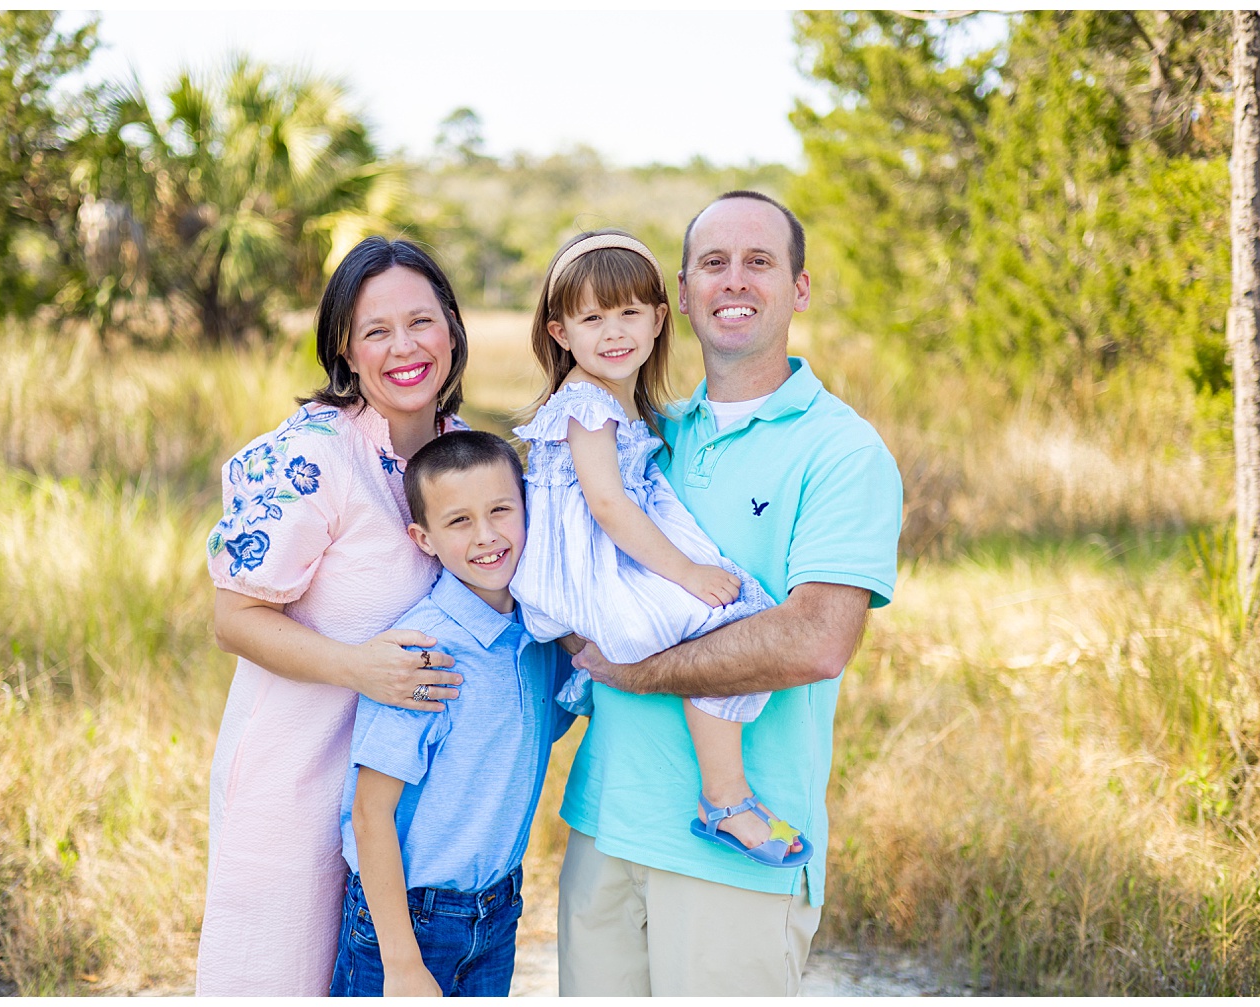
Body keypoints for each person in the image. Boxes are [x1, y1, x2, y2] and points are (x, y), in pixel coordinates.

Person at [556, 193, 904, 997]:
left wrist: (635, 668)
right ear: (681, 292)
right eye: (714, 263)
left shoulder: (841, 449)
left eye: (759, 262)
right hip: (606, 830)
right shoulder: (644, 437)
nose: (734, 280)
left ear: (800, 287)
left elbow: (816, 639)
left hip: (734, 859)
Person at [197, 237, 474, 996]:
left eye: (421, 321)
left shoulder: (461, 458)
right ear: (345, 351)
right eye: (375, 330)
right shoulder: (311, 456)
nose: (404, 347)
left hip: (406, 804)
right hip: (295, 787)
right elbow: (235, 618)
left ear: (452, 327)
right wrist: (359, 667)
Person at [510, 229, 810, 867]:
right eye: (592, 318)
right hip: (591, 571)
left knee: (733, 626)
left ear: (657, 319)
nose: (613, 332)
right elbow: (609, 507)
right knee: (723, 627)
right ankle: (725, 800)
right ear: (561, 333)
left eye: (628, 313)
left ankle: (723, 794)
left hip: (602, 561)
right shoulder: (588, 404)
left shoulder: (625, 404)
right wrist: (688, 572)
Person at [330, 431, 574, 997]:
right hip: (409, 919)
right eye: (459, 521)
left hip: (498, 908)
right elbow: (371, 814)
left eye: (500, 511)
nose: (486, 536)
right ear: (425, 538)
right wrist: (402, 963)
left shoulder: (535, 634)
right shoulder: (426, 654)